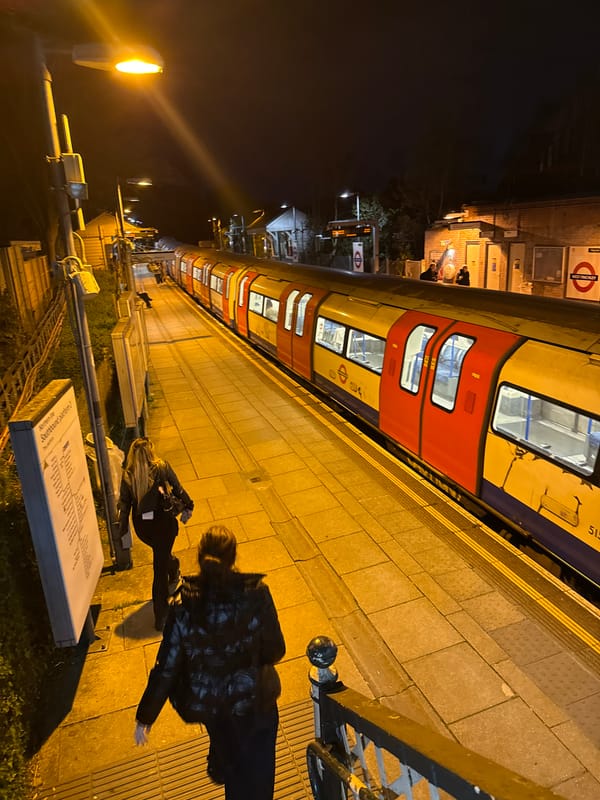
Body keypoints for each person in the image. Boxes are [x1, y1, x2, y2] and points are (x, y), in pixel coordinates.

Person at [134, 525, 286, 800]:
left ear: (200, 558)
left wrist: (145, 717)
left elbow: (167, 667)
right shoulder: (257, 594)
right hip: (258, 704)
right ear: (234, 557)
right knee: (261, 779)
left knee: (235, 776)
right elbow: (276, 650)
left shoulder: (184, 607)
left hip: (218, 711)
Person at [118, 437, 194, 630]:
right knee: (158, 569)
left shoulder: (128, 475)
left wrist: (122, 528)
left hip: (143, 528)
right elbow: (177, 488)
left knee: (160, 555)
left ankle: (172, 565)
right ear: (151, 452)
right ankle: (160, 615)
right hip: (164, 524)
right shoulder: (161, 466)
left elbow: (125, 505)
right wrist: (189, 503)